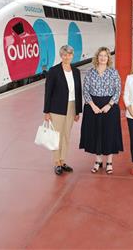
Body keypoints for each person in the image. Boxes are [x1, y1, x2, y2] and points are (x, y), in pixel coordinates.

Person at [79, 46, 123, 174]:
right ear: (97, 57)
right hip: (93, 107)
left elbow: (118, 90)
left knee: (109, 133)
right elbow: (85, 90)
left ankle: (109, 161)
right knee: (96, 133)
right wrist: (92, 105)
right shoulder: (90, 72)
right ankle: (98, 160)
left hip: (109, 107)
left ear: (109, 58)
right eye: (101, 55)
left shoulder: (113, 72)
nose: (103, 58)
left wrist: (109, 105)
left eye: (106, 55)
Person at [43, 45, 82, 175]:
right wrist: (46, 111)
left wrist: (77, 111)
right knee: (56, 136)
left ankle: (63, 160)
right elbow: (48, 92)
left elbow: (78, 91)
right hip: (56, 108)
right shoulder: (54, 71)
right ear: (61, 56)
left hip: (71, 106)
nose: (67, 57)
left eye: (69, 54)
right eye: (65, 55)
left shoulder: (76, 71)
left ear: (72, 55)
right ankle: (56, 162)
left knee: (66, 135)